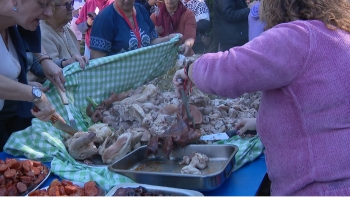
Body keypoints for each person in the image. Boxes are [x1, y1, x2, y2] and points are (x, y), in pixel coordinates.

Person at [172, 0, 350, 195]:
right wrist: (260, 122)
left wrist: (190, 69)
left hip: (317, 188)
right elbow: (321, 107)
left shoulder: (298, 36)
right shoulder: (338, 35)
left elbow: (231, 70)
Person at [0, 0, 67, 151]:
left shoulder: (13, 23)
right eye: (42, 4)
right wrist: (35, 95)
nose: (49, 12)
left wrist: (44, 59)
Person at [90, 0, 177, 58]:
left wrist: (168, 39)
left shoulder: (141, 10)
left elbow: (152, 41)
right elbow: (98, 60)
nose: (127, 0)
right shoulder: (104, 19)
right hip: (119, 81)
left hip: (145, 78)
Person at [41, 0, 87, 69]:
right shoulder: (43, 34)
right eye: (67, 5)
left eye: (71, 4)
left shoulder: (65, 28)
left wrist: (81, 60)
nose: (72, 8)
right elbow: (53, 72)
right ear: (51, 8)